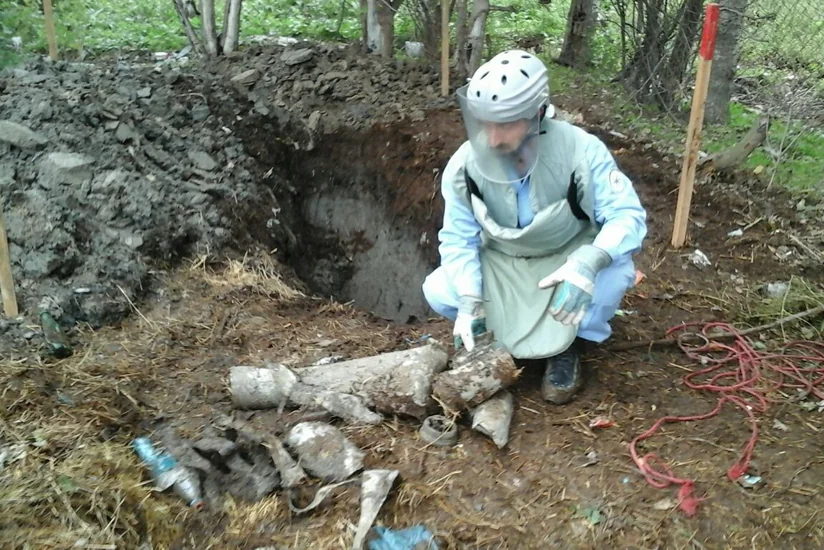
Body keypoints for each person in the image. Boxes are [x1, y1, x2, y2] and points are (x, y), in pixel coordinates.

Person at [422, 49, 647, 405]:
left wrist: (590, 261)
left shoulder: (581, 151)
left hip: (567, 260)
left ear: (538, 113)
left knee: (611, 279)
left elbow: (627, 216)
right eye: (485, 122)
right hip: (505, 262)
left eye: (507, 122)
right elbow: (457, 238)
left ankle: (571, 345)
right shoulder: (465, 165)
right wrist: (469, 297)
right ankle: (492, 338)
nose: (493, 138)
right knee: (439, 289)